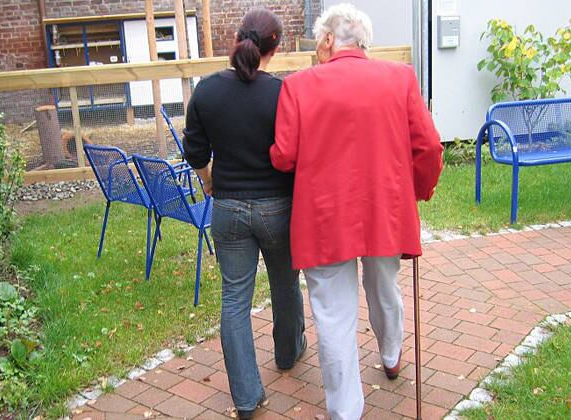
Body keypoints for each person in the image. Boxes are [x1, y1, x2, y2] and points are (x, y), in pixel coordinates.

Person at [270, 4, 443, 419]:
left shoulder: (298, 86)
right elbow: (430, 147)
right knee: (385, 287)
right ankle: (390, 352)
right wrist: (418, 191)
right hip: (385, 211)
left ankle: (346, 410)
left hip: (324, 219)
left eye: (318, 41)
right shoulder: (399, 78)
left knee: (333, 315)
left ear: (329, 40)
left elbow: (283, 157)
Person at [182, 8, 306, 419]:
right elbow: (296, 152)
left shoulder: (206, 91)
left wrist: (210, 181)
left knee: (234, 300)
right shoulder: (283, 93)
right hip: (278, 209)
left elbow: (195, 152)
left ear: (236, 38)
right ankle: (288, 354)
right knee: (286, 285)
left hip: (228, 210)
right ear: (277, 46)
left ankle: (247, 398)